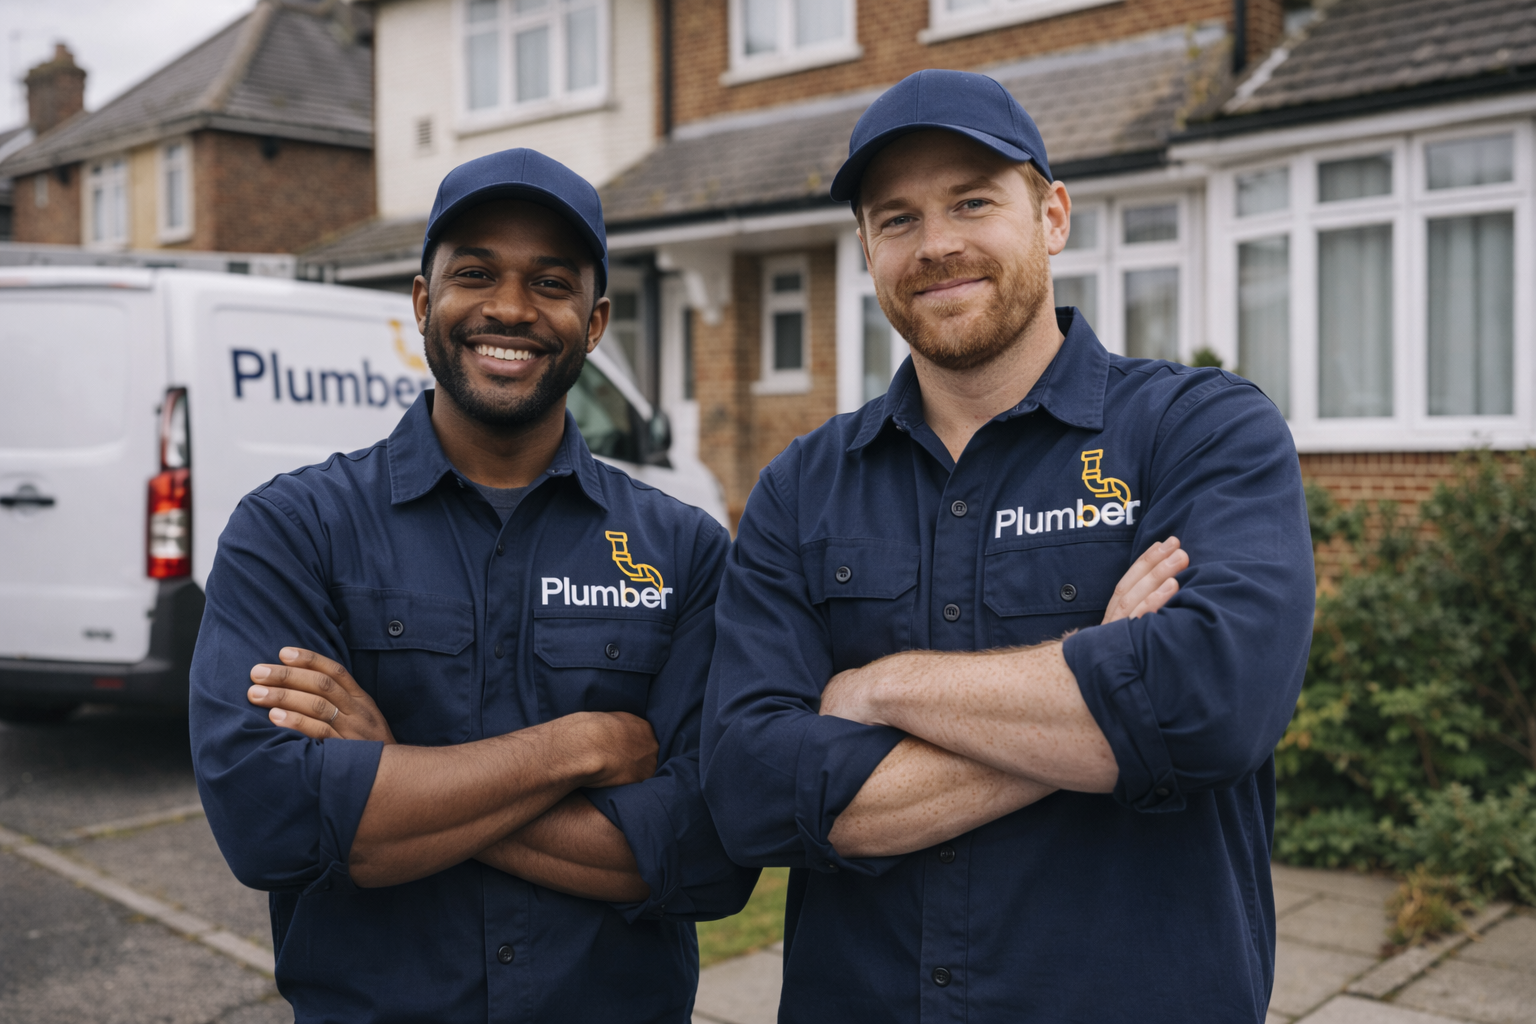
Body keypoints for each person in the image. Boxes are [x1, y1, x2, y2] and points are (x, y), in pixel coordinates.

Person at [700, 70, 1314, 1022]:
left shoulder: (1197, 430)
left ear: (1053, 215)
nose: (936, 244)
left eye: (973, 201)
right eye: (895, 219)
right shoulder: (801, 488)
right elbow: (748, 789)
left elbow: (1209, 703)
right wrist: (1100, 678)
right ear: (867, 249)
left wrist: (878, 689)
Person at [189, 148, 756, 1024]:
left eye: (551, 282)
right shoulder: (293, 531)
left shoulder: (681, 550)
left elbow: (709, 856)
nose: (510, 309)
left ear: (596, 320)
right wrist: (581, 745)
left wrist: (394, 779)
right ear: (423, 302)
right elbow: (273, 824)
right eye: (476, 273)